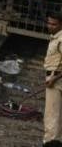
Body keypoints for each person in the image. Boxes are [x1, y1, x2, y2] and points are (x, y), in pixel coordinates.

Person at [46, 12, 62, 146]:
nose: (50, 26)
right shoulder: (55, 37)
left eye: (54, 24)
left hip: (56, 80)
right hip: (55, 77)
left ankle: (50, 143)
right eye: (49, 23)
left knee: (52, 116)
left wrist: (55, 77)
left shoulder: (61, 39)